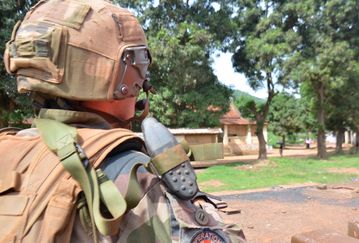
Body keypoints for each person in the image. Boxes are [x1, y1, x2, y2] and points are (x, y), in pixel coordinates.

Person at [0, 0, 245, 242]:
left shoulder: (9, 150)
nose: (144, 81)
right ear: (121, 75)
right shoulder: (134, 176)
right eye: (139, 63)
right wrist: (198, 205)